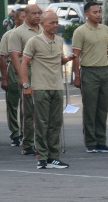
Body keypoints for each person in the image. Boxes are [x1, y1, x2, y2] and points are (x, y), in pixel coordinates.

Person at [20, 9, 73, 169]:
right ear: (42, 24)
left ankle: (53, 157)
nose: (55, 25)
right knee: (42, 123)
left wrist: (66, 59)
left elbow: (57, 60)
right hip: (41, 87)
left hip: (57, 87)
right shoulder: (34, 41)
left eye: (57, 22)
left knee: (56, 123)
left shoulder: (58, 40)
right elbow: (24, 63)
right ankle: (42, 157)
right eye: (51, 23)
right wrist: (26, 85)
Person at [72, 0, 108, 153]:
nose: (98, 15)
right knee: (90, 109)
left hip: (103, 71)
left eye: (99, 12)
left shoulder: (105, 29)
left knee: (103, 109)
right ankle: (90, 142)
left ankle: (101, 141)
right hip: (89, 71)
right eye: (95, 12)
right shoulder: (80, 31)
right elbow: (76, 55)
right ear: (87, 15)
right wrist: (77, 76)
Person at [0, 7, 28, 149]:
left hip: (28, 68)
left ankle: (25, 132)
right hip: (13, 69)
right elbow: (3, 57)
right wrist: (4, 78)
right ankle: (15, 133)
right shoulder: (9, 35)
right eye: (23, 17)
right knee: (13, 103)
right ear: (16, 19)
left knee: (27, 103)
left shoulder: (33, 33)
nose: (25, 19)